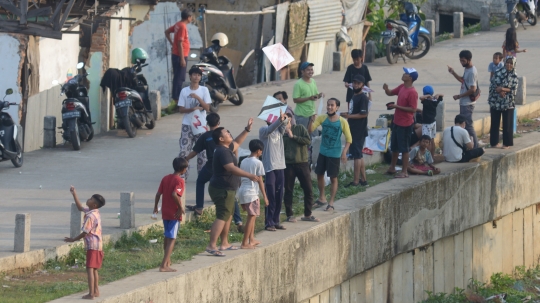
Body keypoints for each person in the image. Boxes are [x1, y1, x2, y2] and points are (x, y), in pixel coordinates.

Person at [184, 114, 252, 233]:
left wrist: (185, 159)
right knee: (230, 196)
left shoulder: (206, 136)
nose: (228, 134)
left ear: (207, 123)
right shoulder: (223, 142)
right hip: (223, 172)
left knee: (201, 182)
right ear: (219, 122)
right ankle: (238, 222)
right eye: (227, 134)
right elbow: (236, 145)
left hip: (211, 166)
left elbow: (195, 151)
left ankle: (199, 207)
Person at [205, 127, 259, 257]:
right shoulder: (223, 152)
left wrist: (246, 129)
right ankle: (212, 245)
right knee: (222, 215)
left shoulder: (226, 149)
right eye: (226, 133)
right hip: (222, 188)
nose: (229, 133)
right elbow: (231, 168)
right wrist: (249, 175)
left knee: (228, 215)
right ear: (221, 139)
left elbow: (237, 143)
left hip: (227, 188)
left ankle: (224, 243)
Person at [64, 186, 106, 300]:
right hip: (98, 245)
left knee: (89, 269)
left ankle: (91, 293)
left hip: (92, 246)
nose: (88, 199)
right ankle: (96, 291)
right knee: (94, 269)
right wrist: (74, 194)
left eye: (91, 199)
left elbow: (85, 232)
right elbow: (80, 207)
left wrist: (73, 239)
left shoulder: (90, 216)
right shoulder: (95, 212)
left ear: (94, 205)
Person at [310, 98, 352, 212]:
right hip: (323, 152)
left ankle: (331, 203)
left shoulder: (342, 121)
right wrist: (311, 120)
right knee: (319, 174)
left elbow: (349, 139)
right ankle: (322, 198)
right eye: (328, 105)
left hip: (334, 154)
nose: (329, 107)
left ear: (337, 107)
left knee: (333, 177)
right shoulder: (322, 118)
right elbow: (311, 129)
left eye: (332, 105)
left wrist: (344, 152)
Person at [153, 157, 188, 272]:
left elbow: (158, 194)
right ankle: (164, 265)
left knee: (167, 236)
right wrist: (180, 207)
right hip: (174, 213)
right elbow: (174, 194)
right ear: (183, 169)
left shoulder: (165, 178)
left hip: (165, 211)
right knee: (172, 238)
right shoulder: (180, 181)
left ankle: (167, 260)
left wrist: (155, 207)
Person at [383, 67, 419, 178]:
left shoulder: (413, 92)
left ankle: (404, 171)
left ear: (410, 78)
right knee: (394, 147)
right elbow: (390, 93)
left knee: (404, 148)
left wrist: (396, 106)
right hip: (397, 122)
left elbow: (413, 109)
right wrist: (386, 89)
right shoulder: (402, 87)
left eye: (406, 74)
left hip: (406, 124)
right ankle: (392, 167)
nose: (403, 74)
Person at [283, 112, 319, 223]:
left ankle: (308, 214)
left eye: (285, 118)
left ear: (290, 119)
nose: (284, 121)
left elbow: (307, 141)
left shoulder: (299, 128)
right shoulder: (280, 133)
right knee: (288, 190)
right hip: (288, 164)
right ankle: (289, 214)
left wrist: (293, 136)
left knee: (308, 189)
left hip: (302, 163)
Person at [177, 67, 211, 180]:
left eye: (199, 75)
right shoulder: (184, 91)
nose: (196, 77)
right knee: (184, 151)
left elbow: (207, 108)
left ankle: (202, 177)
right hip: (187, 124)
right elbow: (181, 109)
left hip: (201, 125)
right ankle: (182, 176)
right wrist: (192, 109)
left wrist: (197, 97)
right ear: (190, 76)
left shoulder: (204, 90)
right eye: (194, 75)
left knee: (202, 153)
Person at [259, 110, 288, 231]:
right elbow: (271, 128)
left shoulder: (279, 130)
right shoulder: (263, 130)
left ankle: (276, 220)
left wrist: (285, 119)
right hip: (269, 166)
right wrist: (279, 121)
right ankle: (268, 222)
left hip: (280, 165)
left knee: (279, 194)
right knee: (270, 193)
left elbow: (284, 126)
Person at [237, 139, 268, 249]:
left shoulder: (244, 161)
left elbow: (239, 178)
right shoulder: (258, 163)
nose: (261, 153)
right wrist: (264, 196)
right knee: (252, 216)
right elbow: (260, 180)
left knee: (252, 216)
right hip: (252, 192)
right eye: (261, 151)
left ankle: (252, 239)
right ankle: (245, 243)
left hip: (243, 191)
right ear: (259, 151)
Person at [341, 75, 369, 187]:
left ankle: (356, 181)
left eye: (358, 83)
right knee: (359, 155)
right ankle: (363, 179)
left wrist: (349, 116)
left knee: (357, 156)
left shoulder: (363, 97)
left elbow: (363, 114)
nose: (356, 85)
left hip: (359, 130)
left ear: (362, 85)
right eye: (354, 83)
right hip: (353, 128)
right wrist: (347, 115)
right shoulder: (354, 95)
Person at [448, 50, 479, 148]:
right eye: (460, 61)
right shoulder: (467, 69)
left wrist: (459, 96)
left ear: (469, 60)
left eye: (463, 61)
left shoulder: (472, 72)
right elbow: (462, 80)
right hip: (464, 103)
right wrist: (453, 73)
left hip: (468, 104)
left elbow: (472, 89)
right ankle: (469, 146)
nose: (462, 63)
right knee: (465, 126)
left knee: (468, 126)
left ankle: (475, 147)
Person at [489, 56, 518, 149]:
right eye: (507, 62)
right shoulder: (498, 72)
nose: (508, 65)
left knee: (507, 124)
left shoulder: (515, 76)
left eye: (511, 63)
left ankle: (506, 143)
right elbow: (493, 85)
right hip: (496, 101)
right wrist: (499, 91)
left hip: (508, 102)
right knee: (494, 123)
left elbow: (514, 90)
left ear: (514, 65)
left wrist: (503, 89)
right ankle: (494, 142)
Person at [165, 9, 192, 104]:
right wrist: (182, 58)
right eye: (191, 17)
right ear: (188, 17)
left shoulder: (178, 24)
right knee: (180, 78)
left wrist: (172, 43)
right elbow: (180, 43)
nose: (192, 19)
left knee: (177, 77)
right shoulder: (182, 26)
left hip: (177, 54)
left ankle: (177, 99)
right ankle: (177, 100)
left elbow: (167, 31)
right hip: (180, 55)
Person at [418, 85, 443, 156]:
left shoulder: (426, 101)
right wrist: (438, 94)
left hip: (427, 124)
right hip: (433, 122)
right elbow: (442, 95)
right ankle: (432, 156)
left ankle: (427, 157)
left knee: (426, 141)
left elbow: (420, 98)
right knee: (432, 140)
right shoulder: (435, 100)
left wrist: (427, 96)